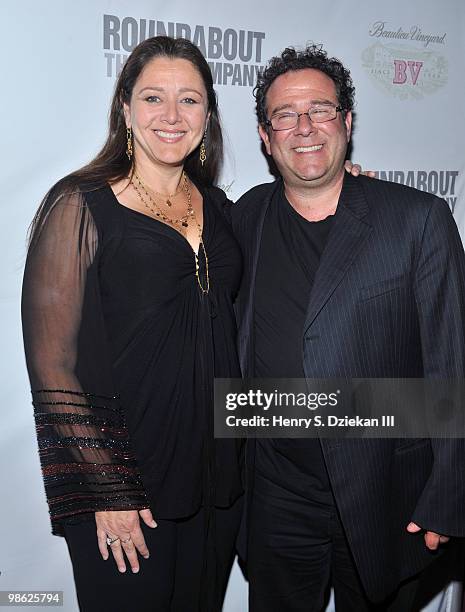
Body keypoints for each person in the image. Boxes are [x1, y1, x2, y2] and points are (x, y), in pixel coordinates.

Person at [231, 45, 465, 611]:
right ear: (266, 137)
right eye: (285, 114)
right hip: (274, 500)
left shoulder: (416, 218)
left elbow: (452, 362)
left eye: (321, 109)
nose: (304, 126)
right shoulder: (244, 216)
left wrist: (449, 494)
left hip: (385, 494)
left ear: (348, 123)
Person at [21, 36, 245, 612]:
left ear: (209, 114)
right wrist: (110, 485)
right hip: (124, 489)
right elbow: (52, 368)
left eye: (190, 100)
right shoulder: (80, 204)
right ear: (124, 109)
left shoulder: (219, 207)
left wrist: (348, 180)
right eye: (153, 98)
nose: (172, 116)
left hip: (214, 485)